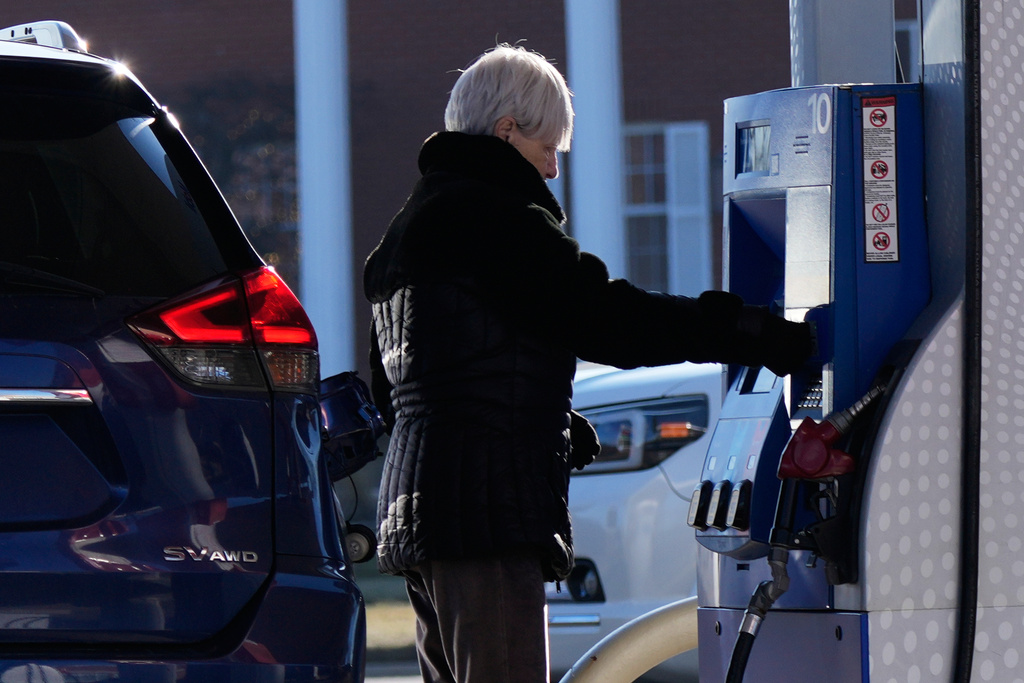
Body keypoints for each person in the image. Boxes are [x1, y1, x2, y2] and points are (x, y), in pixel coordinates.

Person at [363, 44, 812, 683]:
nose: (550, 170)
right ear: (507, 130)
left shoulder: (399, 240)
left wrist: (546, 415)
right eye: (548, 148)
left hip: (420, 512)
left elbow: (413, 387)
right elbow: (609, 320)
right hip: (486, 512)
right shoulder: (496, 219)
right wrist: (747, 330)